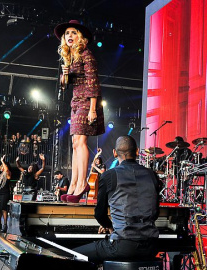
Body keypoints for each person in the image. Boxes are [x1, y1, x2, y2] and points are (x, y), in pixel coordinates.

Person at [74, 135, 159, 263]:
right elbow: (155, 212)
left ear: (114, 153)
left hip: (123, 246)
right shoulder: (152, 175)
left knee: (74, 256)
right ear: (137, 151)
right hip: (151, 247)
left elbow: (99, 214)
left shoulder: (109, 176)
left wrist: (110, 226)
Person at [54, 20, 105, 202]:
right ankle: (74, 183)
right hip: (75, 103)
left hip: (87, 102)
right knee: (75, 143)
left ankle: (82, 183)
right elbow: (64, 86)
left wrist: (93, 109)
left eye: (73, 32)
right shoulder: (71, 58)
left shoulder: (86, 54)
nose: (69, 36)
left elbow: (93, 82)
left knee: (81, 142)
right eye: (67, 33)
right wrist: (65, 74)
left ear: (80, 36)